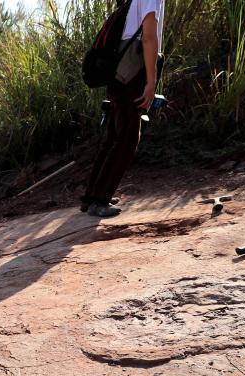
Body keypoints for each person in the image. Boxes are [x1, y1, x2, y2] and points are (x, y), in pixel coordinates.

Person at [82, 0, 164, 218]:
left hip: (119, 74)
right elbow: (148, 37)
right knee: (128, 139)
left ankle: (92, 197)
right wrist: (151, 81)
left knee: (113, 137)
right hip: (131, 76)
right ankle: (100, 200)